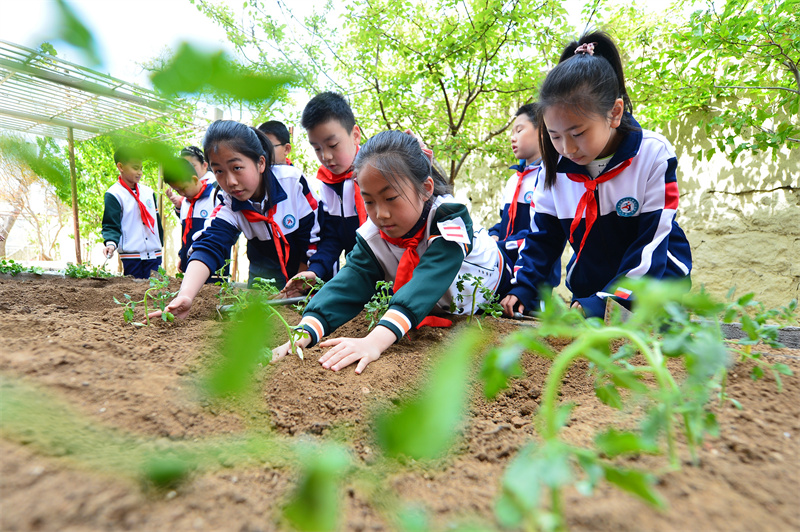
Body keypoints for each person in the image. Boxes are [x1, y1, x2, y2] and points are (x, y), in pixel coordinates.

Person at [273, 130, 511, 374]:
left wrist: (374, 342)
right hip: (441, 304)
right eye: (369, 201)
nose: (380, 213)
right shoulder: (373, 235)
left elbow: (429, 278)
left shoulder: (448, 218)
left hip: (496, 284)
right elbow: (348, 283)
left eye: (390, 198)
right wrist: (303, 333)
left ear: (426, 188)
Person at [501, 32, 692, 320]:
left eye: (577, 133)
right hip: (590, 293)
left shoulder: (653, 155)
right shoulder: (552, 169)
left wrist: (611, 301)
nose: (567, 148)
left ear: (614, 113)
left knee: (643, 351)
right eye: (554, 136)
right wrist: (524, 287)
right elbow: (543, 238)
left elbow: (651, 242)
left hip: (654, 286)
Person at [154, 120, 320, 320]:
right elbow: (210, 244)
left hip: (310, 274)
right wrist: (186, 295)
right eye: (219, 171)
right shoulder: (229, 202)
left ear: (260, 163)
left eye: (237, 168)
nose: (230, 182)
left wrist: (303, 279)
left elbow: (314, 237)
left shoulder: (291, 183)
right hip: (266, 274)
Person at [280, 91, 363, 296]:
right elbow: (332, 238)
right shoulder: (327, 184)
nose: (325, 156)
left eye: (333, 145)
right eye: (317, 148)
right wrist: (314, 272)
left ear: (355, 135)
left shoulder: (377, 174)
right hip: (359, 279)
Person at [489, 103, 559, 287]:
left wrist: (502, 246)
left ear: (542, 132)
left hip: (535, 274)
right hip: (503, 270)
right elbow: (503, 222)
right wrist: (494, 235)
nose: (513, 138)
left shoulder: (550, 178)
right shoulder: (513, 181)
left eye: (519, 131)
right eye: (511, 133)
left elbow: (543, 233)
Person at [102, 146, 164, 279]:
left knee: (157, 290)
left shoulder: (148, 192)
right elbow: (111, 224)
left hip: (154, 255)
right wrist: (111, 244)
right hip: (132, 257)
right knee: (134, 293)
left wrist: (160, 243)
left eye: (141, 168)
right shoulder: (114, 194)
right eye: (135, 168)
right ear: (121, 166)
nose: (140, 172)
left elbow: (156, 221)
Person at [161, 157, 228, 277]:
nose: (181, 193)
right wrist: (183, 254)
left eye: (183, 188)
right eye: (177, 190)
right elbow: (186, 234)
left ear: (195, 179)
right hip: (190, 266)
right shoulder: (185, 204)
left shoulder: (216, 197)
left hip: (213, 267)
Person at [166, 146, 217, 211]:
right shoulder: (186, 190)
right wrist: (179, 206)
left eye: (191, 165)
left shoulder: (216, 186)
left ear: (204, 165)